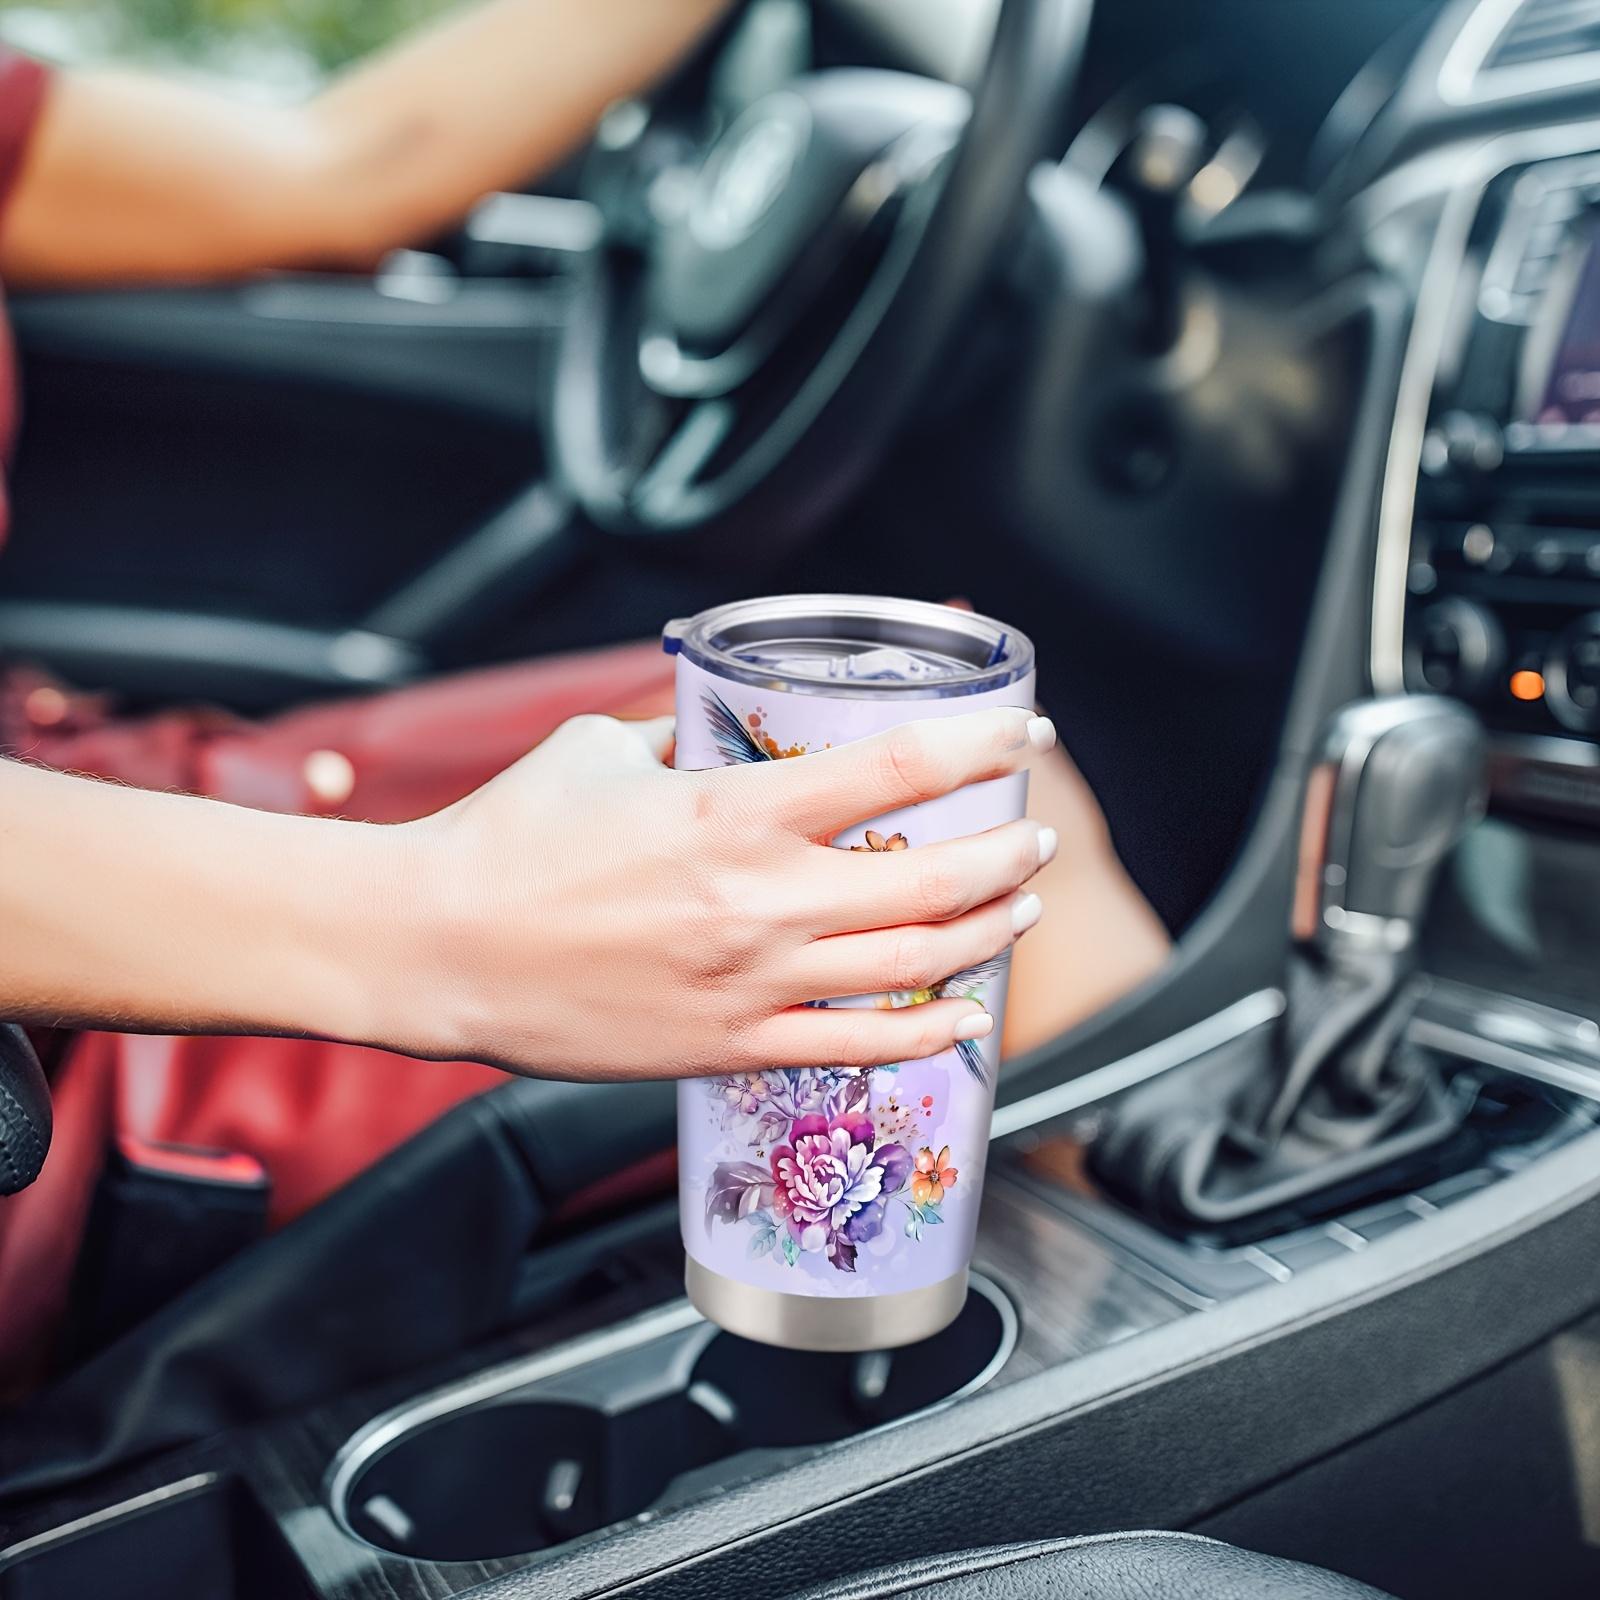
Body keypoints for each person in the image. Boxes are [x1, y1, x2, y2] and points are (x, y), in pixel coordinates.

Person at [0, 7, 1170, 1379]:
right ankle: (1161, 1421)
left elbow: (351, 161)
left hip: (74, 796)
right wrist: (438, 924)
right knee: (938, 867)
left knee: (946, 772)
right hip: (60, 1029)